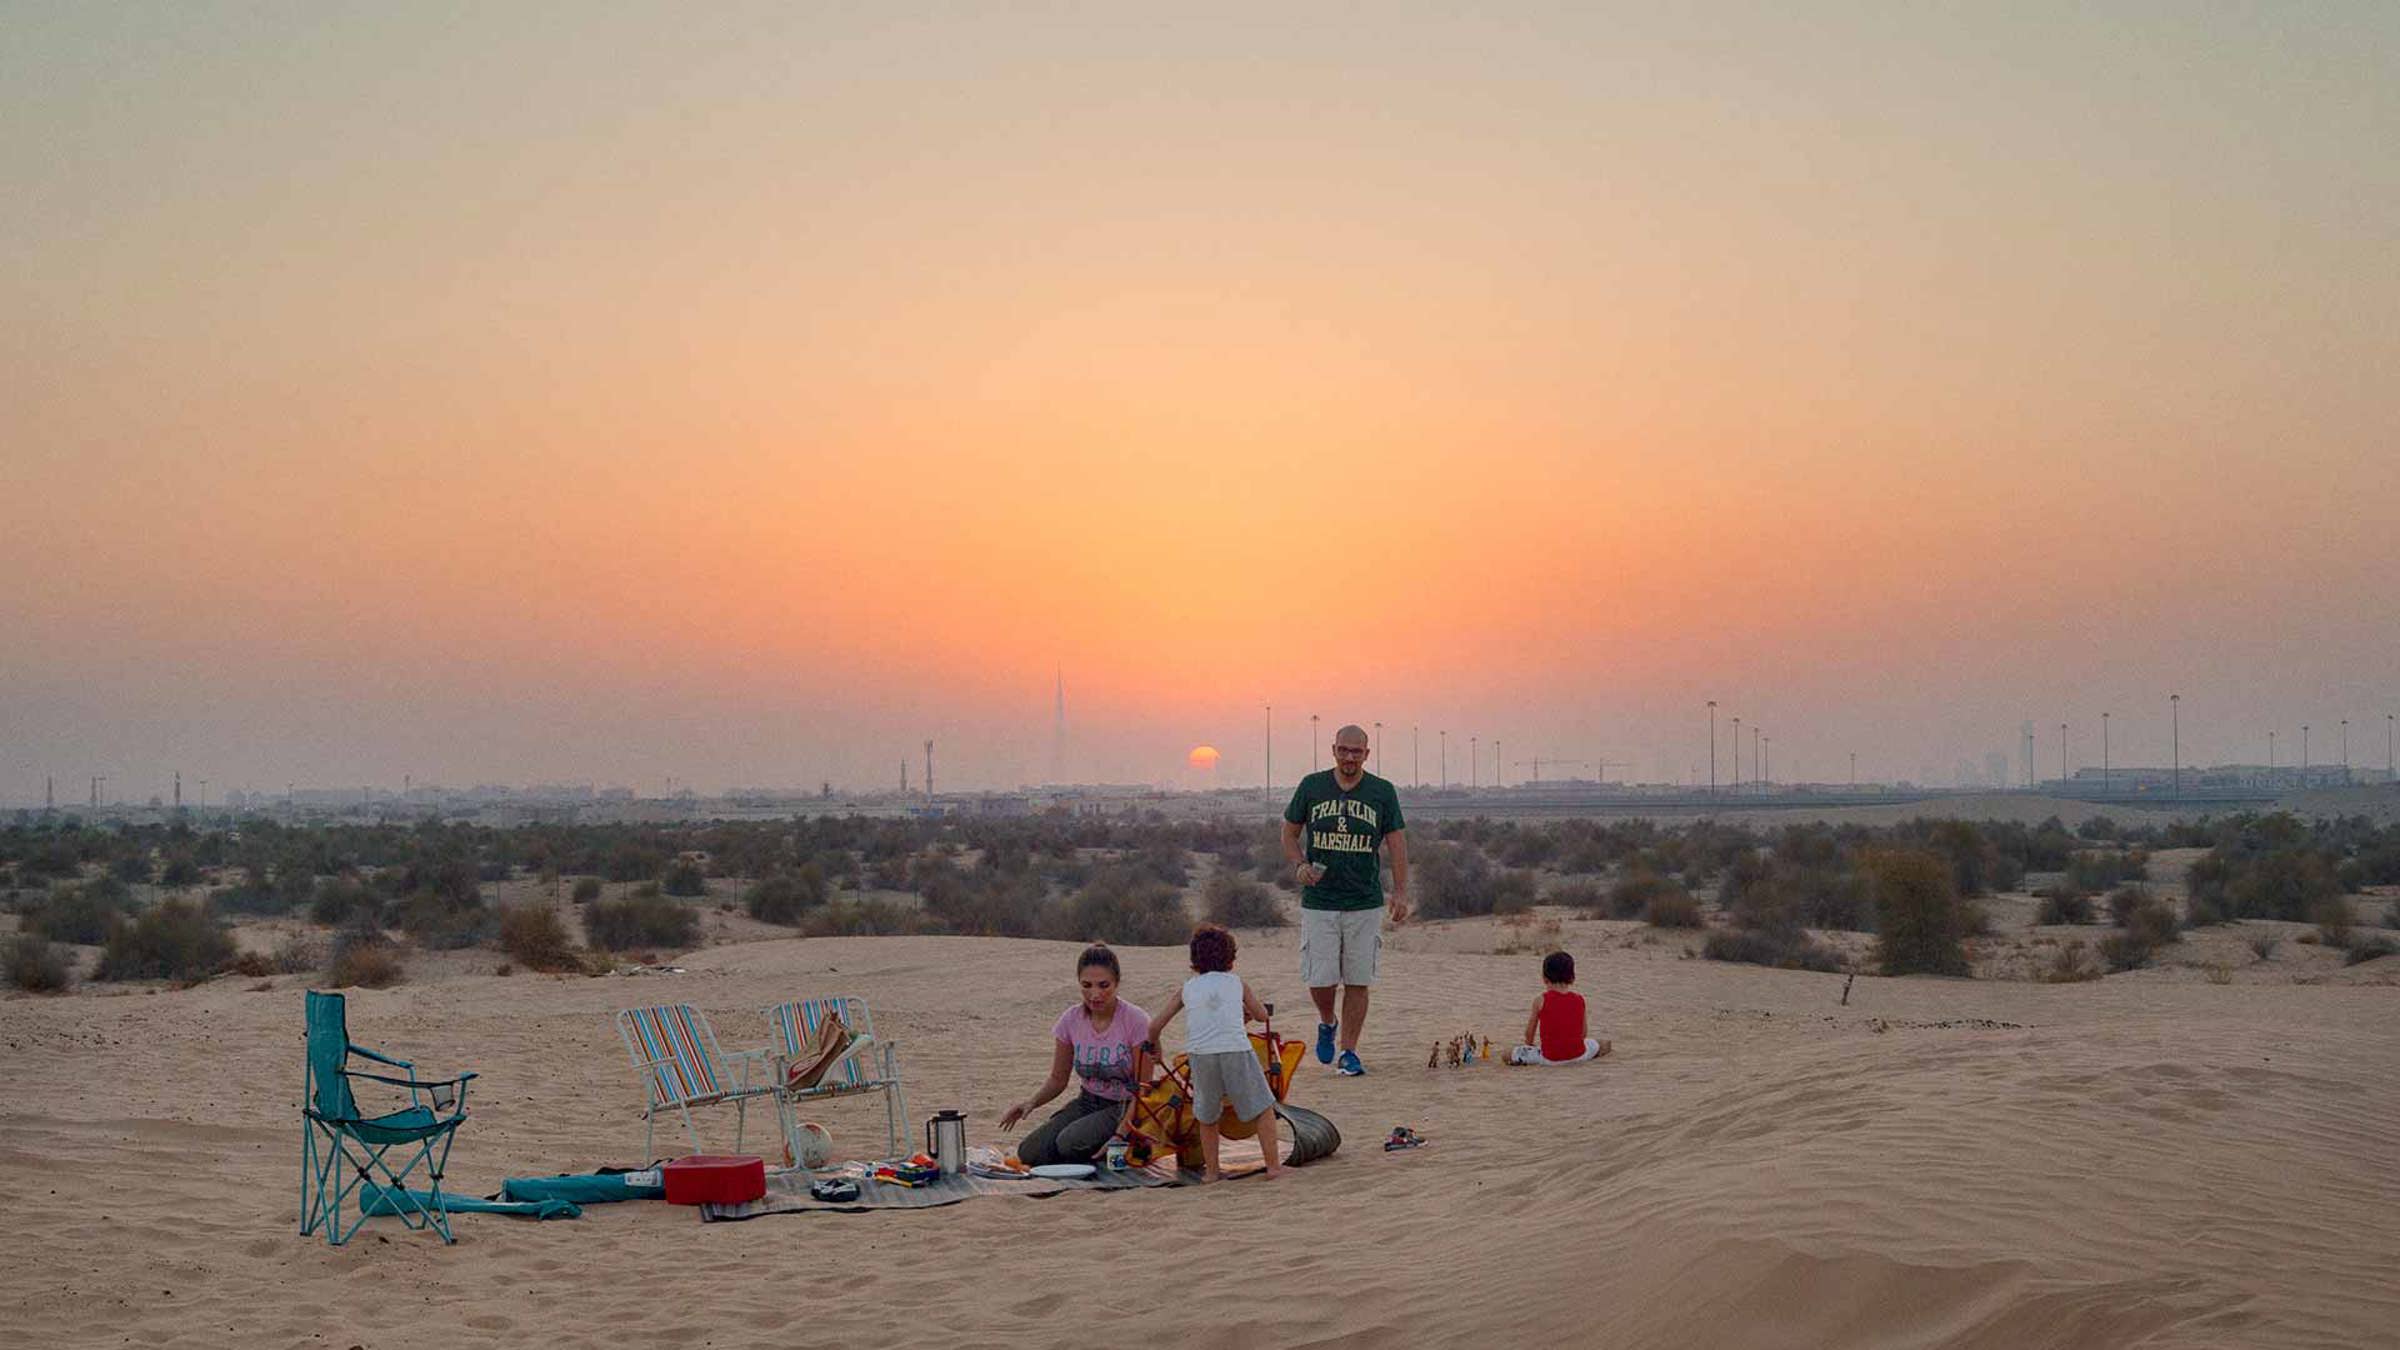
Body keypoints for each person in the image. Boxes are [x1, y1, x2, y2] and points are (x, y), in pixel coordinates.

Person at [1282, 723, 1408, 1076]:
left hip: (1364, 901)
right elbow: (1289, 832)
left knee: (1357, 978)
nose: (1349, 757)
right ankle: (1327, 1021)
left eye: (1357, 751)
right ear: (1333, 750)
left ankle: (1349, 1051)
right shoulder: (1312, 786)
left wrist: (1399, 891)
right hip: (1319, 901)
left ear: (1367, 754)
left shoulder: (1382, 792)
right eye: (1344, 750)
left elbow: (1397, 842)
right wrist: (1300, 865)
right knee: (1320, 978)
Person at [1146, 924, 1282, 1181]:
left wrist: (1156, 1046)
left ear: (1194, 962)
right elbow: (1262, 1015)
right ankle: (1274, 1167)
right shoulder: (1237, 983)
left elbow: (1154, 1025)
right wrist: (1247, 1013)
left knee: (1207, 1114)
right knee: (1263, 1108)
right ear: (1231, 961)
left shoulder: (1187, 988)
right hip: (1236, 1051)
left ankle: (1212, 1172)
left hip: (1201, 1055)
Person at [1001, 945, 1151, 1166]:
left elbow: (1143, 1087)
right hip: (1087, 1101)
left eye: (1104, 985)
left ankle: (1123, 1147)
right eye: (1087, 985)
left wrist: (1121, 1133)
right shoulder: (1071, 1019)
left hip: (1125, 1105)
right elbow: (1058, 1078)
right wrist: (1031, 1102)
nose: (1095, 994)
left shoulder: (1136, 1021)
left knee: (1068, 1143)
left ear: (1117, 983)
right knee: (1029, 1151)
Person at [1504, 950, 1611, 1066]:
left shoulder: (1540, 1000)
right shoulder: (1580, 999)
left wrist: (1528, 1046)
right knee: (1604, 1043)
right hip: (1579, 1056)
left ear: (1544, 978)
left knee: (1506, 1054)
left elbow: (1529, 1033)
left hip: (1549, 1059)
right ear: (1572, 978)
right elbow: (1583, 1033)